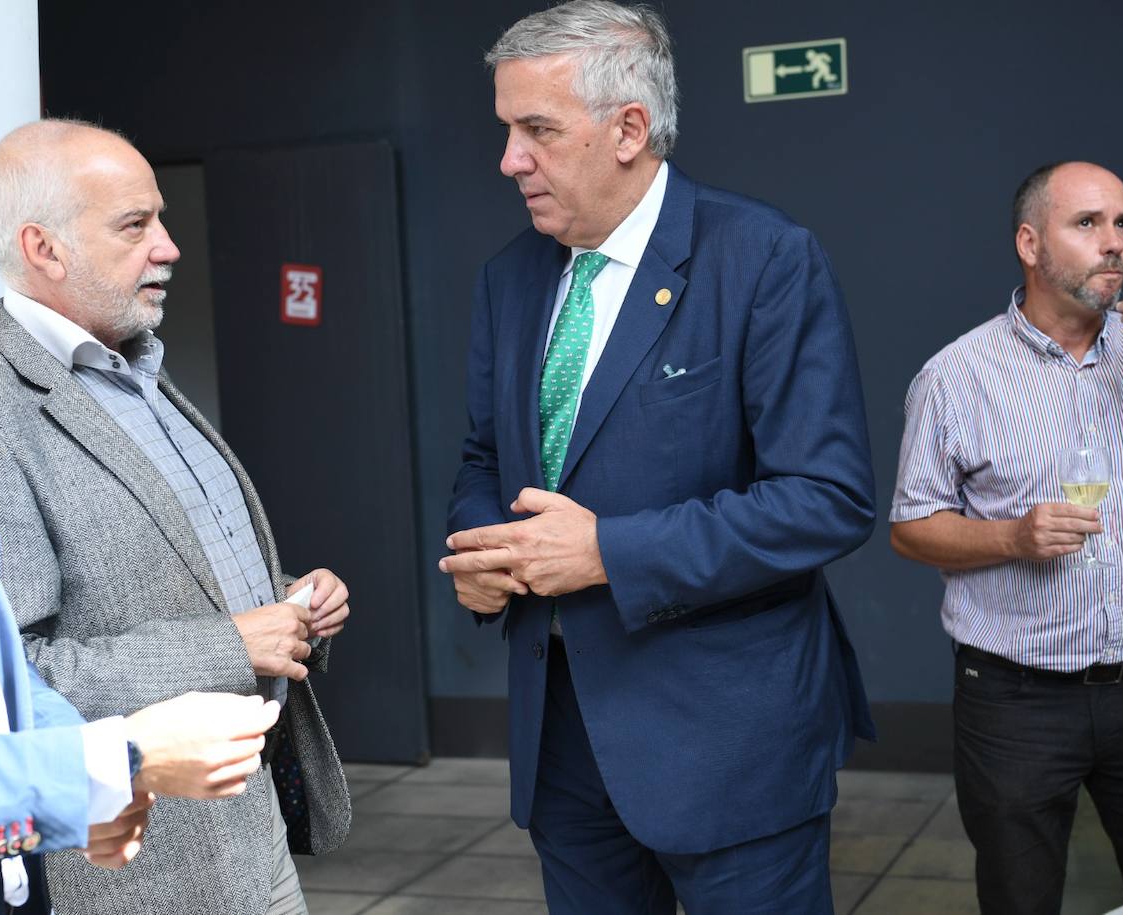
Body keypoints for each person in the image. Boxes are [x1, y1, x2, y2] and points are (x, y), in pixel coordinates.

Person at [439, 2, 876, 911]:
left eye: (537, 130)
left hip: (730, 746)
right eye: (507, 130)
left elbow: (827, 498)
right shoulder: (510, 278)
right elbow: (485, 459)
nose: (509, 159)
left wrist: (609, 551)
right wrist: (483, 549)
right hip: (562, 742)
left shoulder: (762, 260)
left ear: (628, 129)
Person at [0, 121, 352, 915]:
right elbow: (15, 674)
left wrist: (292, 603)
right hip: (145, 873)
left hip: (250, 837)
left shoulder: (141, 374)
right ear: (44, 248)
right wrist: (232, 643)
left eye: (160, 218)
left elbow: (181, 575)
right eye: (135, 225)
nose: (168, 246)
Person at [890, 161, 1123, 914]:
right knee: (1021, 897)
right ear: (1030, 244)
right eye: (1089, 224)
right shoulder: (956, 377)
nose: (1115, 244)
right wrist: (1011, 536)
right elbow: (910, 530)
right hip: (1015, 698)